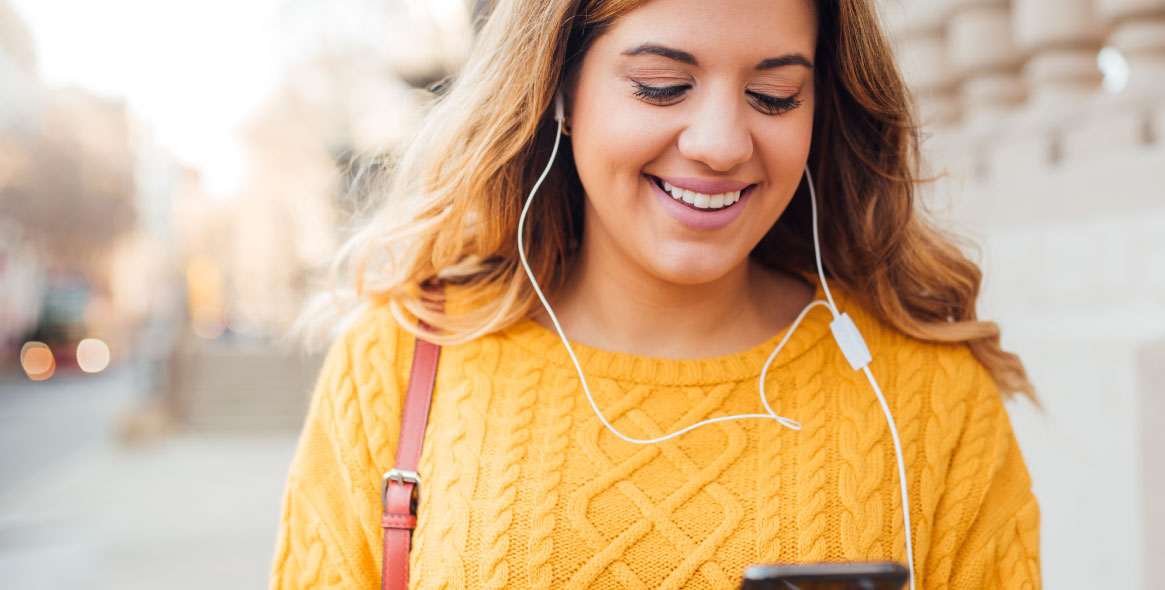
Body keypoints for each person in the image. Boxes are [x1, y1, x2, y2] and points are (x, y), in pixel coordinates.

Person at [270, 0, 1042, 587]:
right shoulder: (398, 364)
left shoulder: (927, 398)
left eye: (774, 96)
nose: (719, 143)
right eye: (662, 86)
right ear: (560, 89)